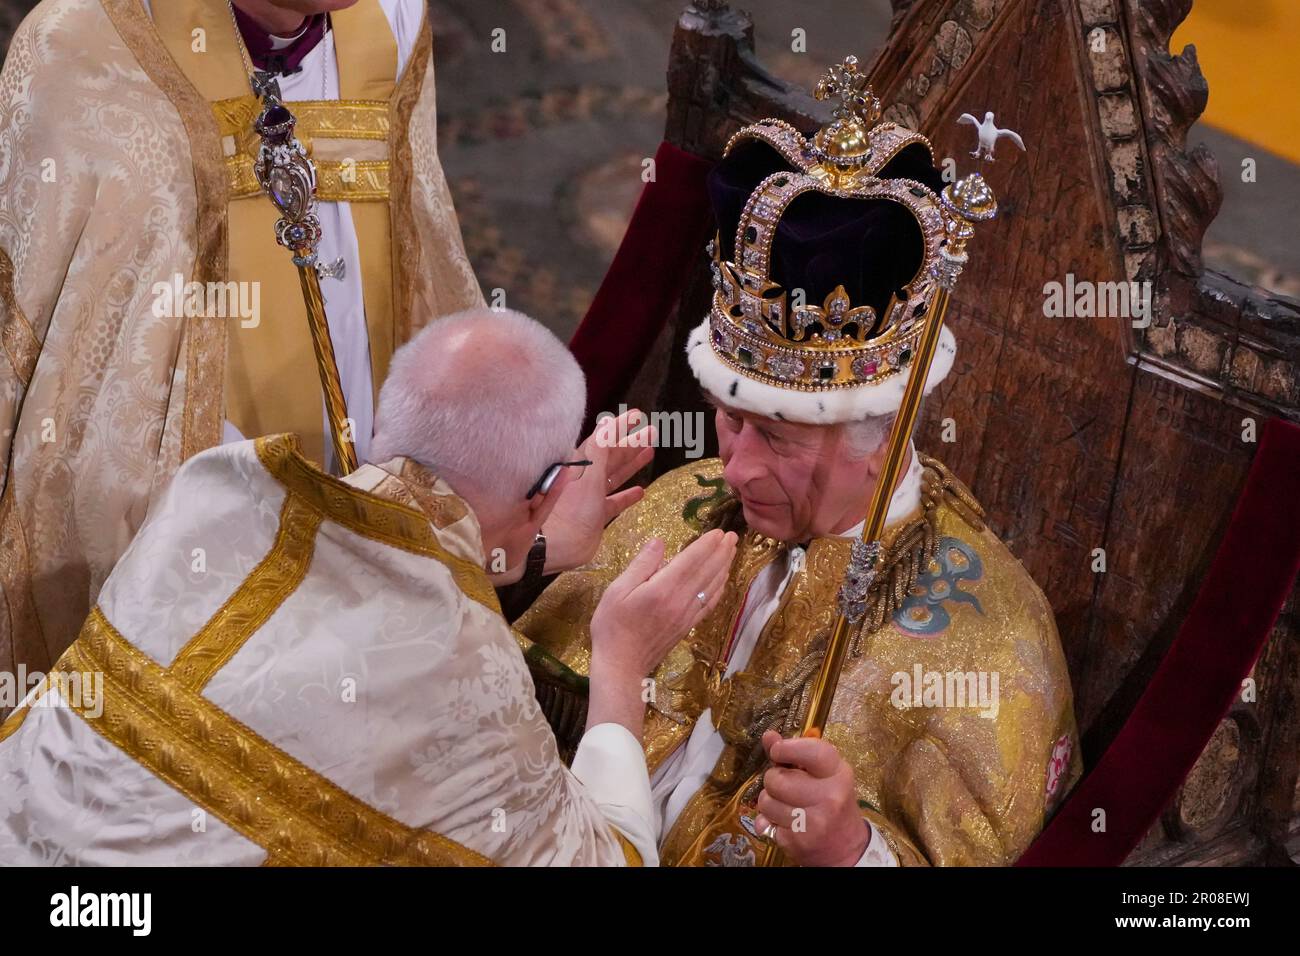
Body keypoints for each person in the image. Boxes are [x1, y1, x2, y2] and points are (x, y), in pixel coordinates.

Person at [517, 65, 1083, 866]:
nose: (734, 471)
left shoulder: (994, 647)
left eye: (778, 439)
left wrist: (852, 851)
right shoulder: (678, 505)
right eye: (730, 422)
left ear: (881, 438)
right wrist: (532, 555)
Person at [0, 307, 739, 865]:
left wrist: (531, 547)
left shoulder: (212, 497)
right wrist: (619, 664)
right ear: (548, 487)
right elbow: (602, 857)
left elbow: (396, 564)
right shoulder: (465, 674)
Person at [0, 0, 482, 683]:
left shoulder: (392, 21)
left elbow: (421, 256)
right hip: (175, 503)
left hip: (363, 468)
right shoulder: (86, 41)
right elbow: (54, 326)